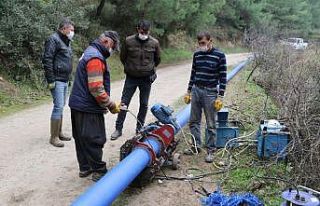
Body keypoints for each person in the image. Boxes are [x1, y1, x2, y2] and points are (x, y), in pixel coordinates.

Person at [68, 31, 121, 181]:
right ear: (106, 42)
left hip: (78, 103)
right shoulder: (96, 58)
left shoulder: (89, 51)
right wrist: (110, 105)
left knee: (81, 137)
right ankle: (99, 170)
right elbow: (96, 88)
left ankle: (85, 167)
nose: (112, 51)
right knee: (94, 138)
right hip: (88, 106)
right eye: (113, 47)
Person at [110, 20, 161, 140]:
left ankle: (139, 129)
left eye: (146, 31)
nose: (144, 33)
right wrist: (130, 68)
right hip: (131, 78)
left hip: (146, 79)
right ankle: (118, 129)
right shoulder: (128, 41)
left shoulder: (154, 43)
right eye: (142, 31)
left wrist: (150, 69)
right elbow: (123, 57)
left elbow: (157, 59)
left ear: (149, 30)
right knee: (124, 103)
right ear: (138, 29)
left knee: (143, 104)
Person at [183, 31, 227, 163]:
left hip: (210, 92)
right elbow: (193, 73)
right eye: (199, 43)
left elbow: (223, 77)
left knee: (211, 123)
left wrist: (220, 96)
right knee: (194, 121)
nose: (201, 45)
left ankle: (211, 150)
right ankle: (196, 146)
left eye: (203, 42)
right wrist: (189, 91)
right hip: (197, 90)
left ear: (210, 41)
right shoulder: (197, 55)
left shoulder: (220, 56)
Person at [42, 18, 75, 147]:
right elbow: (47, 59)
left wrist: (69, 77)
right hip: (57, 79)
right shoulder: (53, 39)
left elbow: (66, 60)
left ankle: (59, 133)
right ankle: (54, 137)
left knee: (61, 106)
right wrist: (51, 80)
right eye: (71, 29)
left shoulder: (67, 41)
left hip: (65, 79)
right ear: (63, 29)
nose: (73, 32)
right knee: (58, 106)